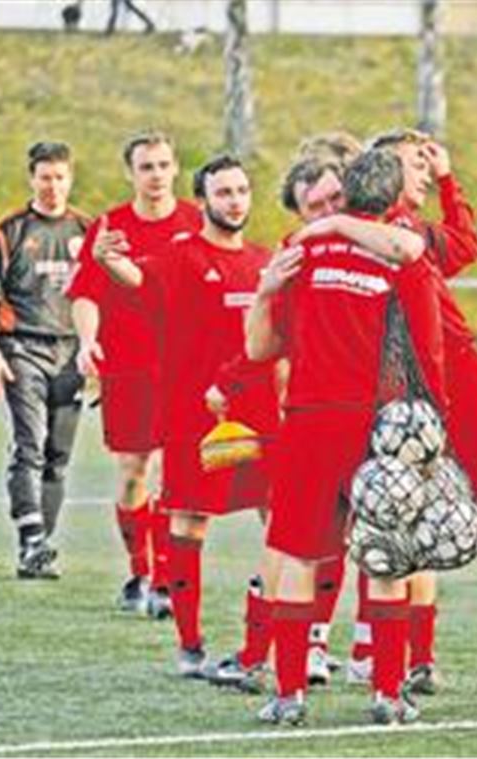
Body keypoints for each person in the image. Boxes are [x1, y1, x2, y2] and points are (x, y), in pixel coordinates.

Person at [296, 128, 477, 715]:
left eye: (430, 163)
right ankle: (363, 663)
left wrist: (449, 180)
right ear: (382, 168)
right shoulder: (359, 222)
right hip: (388, 401)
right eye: (416, 162)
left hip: (461, 389)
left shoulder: (408, 231)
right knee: (372, 524)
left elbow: (463, 245)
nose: (426, 170)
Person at [245, 148, 437, 725]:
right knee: (384, 558)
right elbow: (426, 354)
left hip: (306, 421)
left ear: (345, 196)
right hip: (374, 426)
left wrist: (263, 291)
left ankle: (288, 696)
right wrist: (433, 433)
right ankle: (385, 696)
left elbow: (258, 351)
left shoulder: (299, 251)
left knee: (300, 555)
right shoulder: (400, 258)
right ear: (395, 200)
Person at [93, 155, 279, 677]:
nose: (235, 200)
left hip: (263, 417)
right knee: (190, 521)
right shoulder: (182, 257)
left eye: (242, 190)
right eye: (223, 193)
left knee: (282, 524)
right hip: (196, 419)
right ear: (204, 201)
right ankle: (190, 645)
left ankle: (277, 643)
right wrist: (109, 261)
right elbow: (135, 278)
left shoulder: (265, 262)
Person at [68, 130, 202, 619]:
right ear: (131, 173)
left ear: (175, 168)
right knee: (134, 473)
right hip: (128, 366)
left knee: (177, 473)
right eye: (146, 167)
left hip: (185, 366)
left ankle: (166, 579)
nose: (157, 175)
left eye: (164, 165)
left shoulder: (195, 222)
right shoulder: (110, 227)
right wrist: (88, 341)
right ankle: (139, 571)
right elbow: (85, 292)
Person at [0, 141, 90, 579]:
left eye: (60, 177)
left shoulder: (87, 229)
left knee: (58, 455)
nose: (52, 186)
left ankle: (38, 548)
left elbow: (108, 296)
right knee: (29, 445)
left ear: (70, 179)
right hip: (22, 348)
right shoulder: (11, 230)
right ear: (32, 179)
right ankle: (32, 538)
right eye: (44, 177)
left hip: (71, 353)